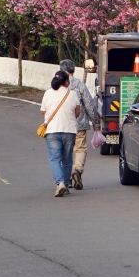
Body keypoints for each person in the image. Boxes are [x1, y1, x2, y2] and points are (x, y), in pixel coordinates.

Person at [40, 69, 80, 197]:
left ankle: (60, 183)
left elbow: (43, 111)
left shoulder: (47, 93)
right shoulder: (72, 94)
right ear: (66, 82)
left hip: (52, 130)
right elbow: (77, 112)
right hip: (69, 130)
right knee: (67, 159)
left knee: (55, 159)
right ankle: (66, 185)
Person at [60, 59, 98, 190]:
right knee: (80, 149)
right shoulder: (80, 85)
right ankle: (77, 170)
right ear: (73, 70)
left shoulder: (55, 85)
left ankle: (66, 179)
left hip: (61, 125)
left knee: (65, 151)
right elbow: (89, 105)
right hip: (79, 124)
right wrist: (95, 123)